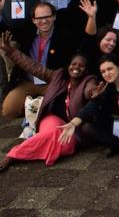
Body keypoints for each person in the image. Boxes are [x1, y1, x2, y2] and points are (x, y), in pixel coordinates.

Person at [0, 33, 98, 171]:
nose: (76, 67)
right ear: (68, 66)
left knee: (66, 145)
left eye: (81, 66)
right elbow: (32, 66)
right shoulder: (57, 76)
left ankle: (36, 146)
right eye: (74, 64)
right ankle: (12, 155)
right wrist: (10, 51)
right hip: (53, 118)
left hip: (73, 127)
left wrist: (93, 93)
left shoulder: (88, 81)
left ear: (86, 70)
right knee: (51, 134)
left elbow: (90, 89)